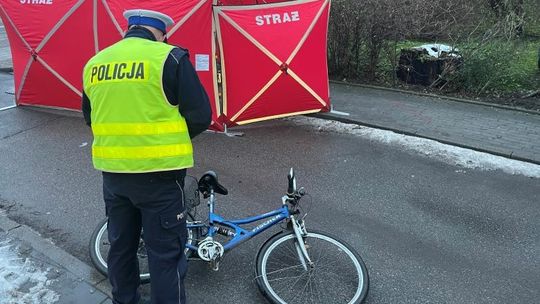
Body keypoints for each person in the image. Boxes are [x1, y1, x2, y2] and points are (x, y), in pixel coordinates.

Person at [81, 9, 211, 304]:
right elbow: (201, 116)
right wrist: (165, 140)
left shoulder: (95, 63)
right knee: (165, 254)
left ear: (129, 30)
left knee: (121, 247)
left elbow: (91, 117)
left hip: (113, 176)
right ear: (161, 33)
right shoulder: (169, 57)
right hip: (160, 176)